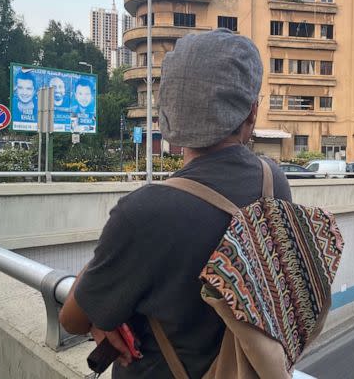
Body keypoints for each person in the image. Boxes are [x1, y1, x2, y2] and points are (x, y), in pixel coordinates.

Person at [59, 28, 292, 378]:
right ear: (252, 112)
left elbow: (73, 319)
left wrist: (106, 309)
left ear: (168, 115)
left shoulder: (145, 212)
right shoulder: (274, 183)